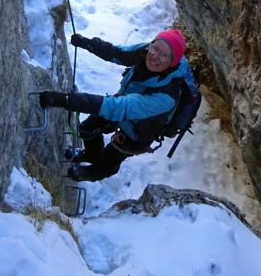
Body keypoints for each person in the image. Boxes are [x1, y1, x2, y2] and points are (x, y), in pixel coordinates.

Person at [39, 28, 198, 182]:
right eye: (155, 47)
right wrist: (89, 44)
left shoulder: (166, 96)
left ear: (172, 62)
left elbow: (119, 108)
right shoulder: (145, 51)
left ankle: (93, 172)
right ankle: (91, 154)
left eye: (164, 55)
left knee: (112, 155)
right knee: (87, 128)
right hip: (124, 101)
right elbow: (118, 53)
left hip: (140, 129)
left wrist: (67, 101)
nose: (155, 56)